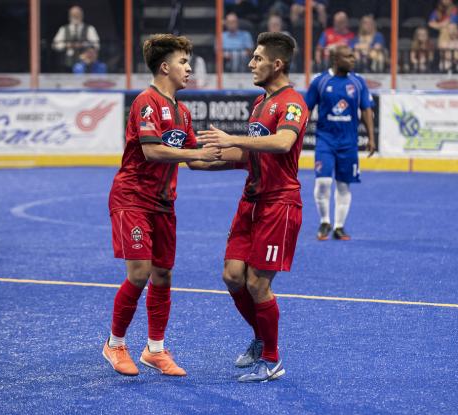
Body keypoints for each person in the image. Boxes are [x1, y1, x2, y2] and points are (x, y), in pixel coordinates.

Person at [102, 34, 222, 377]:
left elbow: (199, 160)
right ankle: (114, 344)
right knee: (139, 273)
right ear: (165, 66)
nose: (189, 68)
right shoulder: (146, 101)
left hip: (163, 203)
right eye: (184, 62)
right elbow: (153, 150)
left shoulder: (182, 112)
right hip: (132, 198)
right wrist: (196, 153)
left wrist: (247, 156)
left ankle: (155, 349)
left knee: (164, 276)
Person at [195, 32, 309, 382]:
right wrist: (203, 159)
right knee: (232, 276)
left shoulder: (292, 103)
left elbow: (282, 142)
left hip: (279, 204)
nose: (250, 64)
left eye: (257, 58)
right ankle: (261, 338)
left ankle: (272, 359)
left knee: (258, 283)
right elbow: (250, 155)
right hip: (251, 202)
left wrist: (232, 138)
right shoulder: (260, 104)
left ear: (277, 64)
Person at [304, 45, 376, 241]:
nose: (353, 59)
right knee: (323, 182)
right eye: (349, 56)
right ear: (336, 59)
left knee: (344, 186)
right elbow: (307, 109)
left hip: (349, 144)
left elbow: (367, 110)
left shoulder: (358, 82)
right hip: (325, 141)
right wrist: (297, 133)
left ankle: (339, 227)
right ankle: (325, 221)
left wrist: (371, 137)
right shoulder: (320, 81)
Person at [52, 5, 100, 71]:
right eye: (73, 14)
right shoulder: (63, 29)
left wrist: (84, 45)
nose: (76, 16)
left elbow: (96, 45)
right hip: (67, 63)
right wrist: (66, 45)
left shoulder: (89, 28)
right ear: (69, 16)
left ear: (82, 15)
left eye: (78, 14)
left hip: (85, 64)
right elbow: (55, 44)